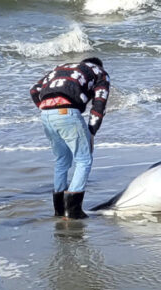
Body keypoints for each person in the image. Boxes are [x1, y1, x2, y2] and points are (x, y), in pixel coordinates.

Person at [30, 57, 110, 219]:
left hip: (46, 115)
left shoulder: (61, 68)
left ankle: (59, 210)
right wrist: (92, 132)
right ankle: (73, 210)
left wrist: (46, 108)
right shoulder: (100, 72)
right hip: (67, 113)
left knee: (62, 160)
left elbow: (34, 90)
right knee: (84, 160)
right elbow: (99, 104)